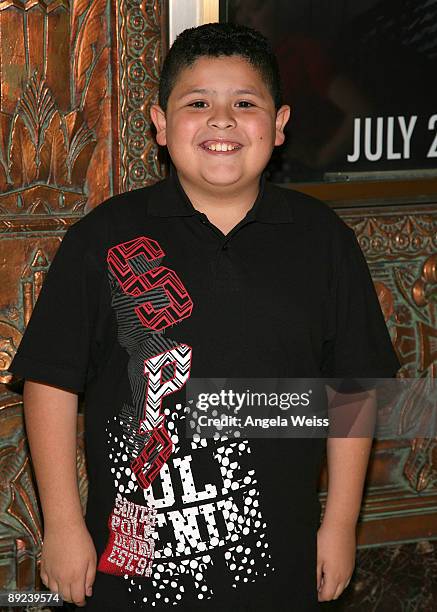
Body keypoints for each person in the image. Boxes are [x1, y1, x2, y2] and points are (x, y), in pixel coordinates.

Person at [7, 22, 400, 611]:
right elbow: (50, 381)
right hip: (131, 566)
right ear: (160, 124)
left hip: (279, 561)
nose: (222, 120)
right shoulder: (104, 238)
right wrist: (62, 526)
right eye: (198, 103)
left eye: (245, 103)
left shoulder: (324, 242)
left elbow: (352, 388)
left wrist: (340, 525)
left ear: (281, 124)